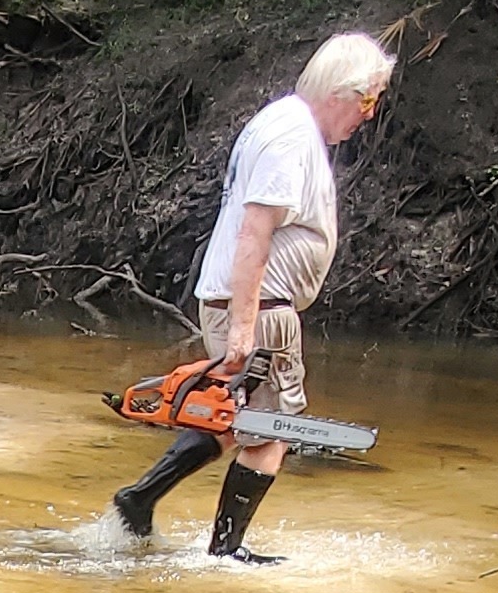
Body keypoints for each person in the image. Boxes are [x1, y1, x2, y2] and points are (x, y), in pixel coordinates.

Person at [110, 31, 397, 564]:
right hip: (261, 309)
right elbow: (254, 233)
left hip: (248, 303)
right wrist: (245, 330)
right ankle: (226, 551)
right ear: (341, 91)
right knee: (271, 433)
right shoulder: (292, 136)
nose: (369, 114)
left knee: (233, 419)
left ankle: (140, 499)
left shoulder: (284, 124)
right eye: (368, 100)